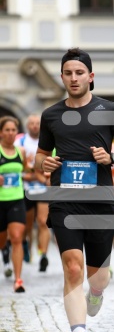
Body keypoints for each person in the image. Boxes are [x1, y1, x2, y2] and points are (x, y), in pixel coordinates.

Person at [34, 47, 114, 332]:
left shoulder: (108, 110)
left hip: (100, 203)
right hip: (65, 202)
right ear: (62, 77)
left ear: (91, 77)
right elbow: (39, 158)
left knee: (98, 279)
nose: (74, 78)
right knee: (72, 269)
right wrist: (45, 163)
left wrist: (112, 158)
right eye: (68, 73)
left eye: (79, 73)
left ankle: (95, 294)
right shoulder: (51, 115)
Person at [17, 114, 52, 271]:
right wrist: (33, 173)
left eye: (38, 123)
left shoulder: (48, 142)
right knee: (27, 224)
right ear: (27, 126)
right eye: (32, 123)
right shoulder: (21, 143)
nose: (35, 126)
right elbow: (20, 168)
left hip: (43, 188)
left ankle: (43, 255)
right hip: (26, 188)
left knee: (43, 221)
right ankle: (26, 245)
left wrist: (38, 174)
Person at [0, 116, 28, 292]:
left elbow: (26, 171)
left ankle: (18, 280)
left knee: (17, 237)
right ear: (1, 132)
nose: (10, 133)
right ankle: (4, 251)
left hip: (17, 198)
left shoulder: (22, 151)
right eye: (7, 130)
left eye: (13, 130)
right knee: (2, 240)